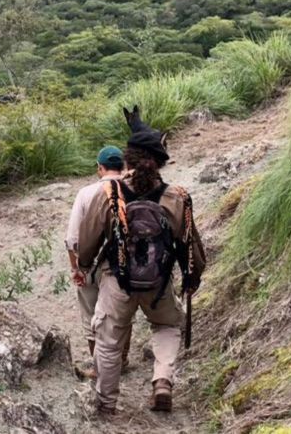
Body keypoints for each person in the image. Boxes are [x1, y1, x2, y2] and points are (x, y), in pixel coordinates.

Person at [89, 106, 206, 415]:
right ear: (160, 162)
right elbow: (191, 246)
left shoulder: (109, 193)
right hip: (159, 282)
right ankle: (163, 381)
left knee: (110, 339)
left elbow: (89, 240)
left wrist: (86, 267)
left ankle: (105, 403)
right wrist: (192, 279)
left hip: (117, 280)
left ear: (128, 158)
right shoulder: (176, 196)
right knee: (167, 325)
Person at [64, 145, 132, 379]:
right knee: (122, 312)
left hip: (93, 262)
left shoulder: (87, 193)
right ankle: (121, 359)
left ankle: (99, 368)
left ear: (100, 168)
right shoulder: (134, 187)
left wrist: (76, 268)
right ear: (122, 166)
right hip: (126, 261)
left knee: (92, 314)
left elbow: (73, 238)